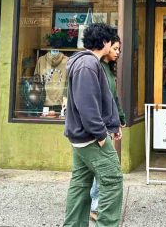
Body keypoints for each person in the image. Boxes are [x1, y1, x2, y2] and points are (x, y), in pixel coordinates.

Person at [63, 23, 123, 227]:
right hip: (90, 138)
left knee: (80, 184)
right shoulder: (88, 65)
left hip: (83, 137)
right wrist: (100, 136)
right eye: (112, 43)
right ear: (105, 42)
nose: (115, 48)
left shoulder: (86, 63)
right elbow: (87, 106)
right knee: (112, 180)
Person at [89, 40, 125, 222]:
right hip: (98, 128)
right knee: (106, 168)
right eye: (115, 48)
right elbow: (94, 101)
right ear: (105, 46)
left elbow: (113, 97)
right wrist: (101, 132)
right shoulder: (96, 67)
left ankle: (93, 204)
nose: (118, 52)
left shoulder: (109, 70)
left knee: (97, 168)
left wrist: (120, 119)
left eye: (119, 49)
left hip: (105, 125)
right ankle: (95, 205)